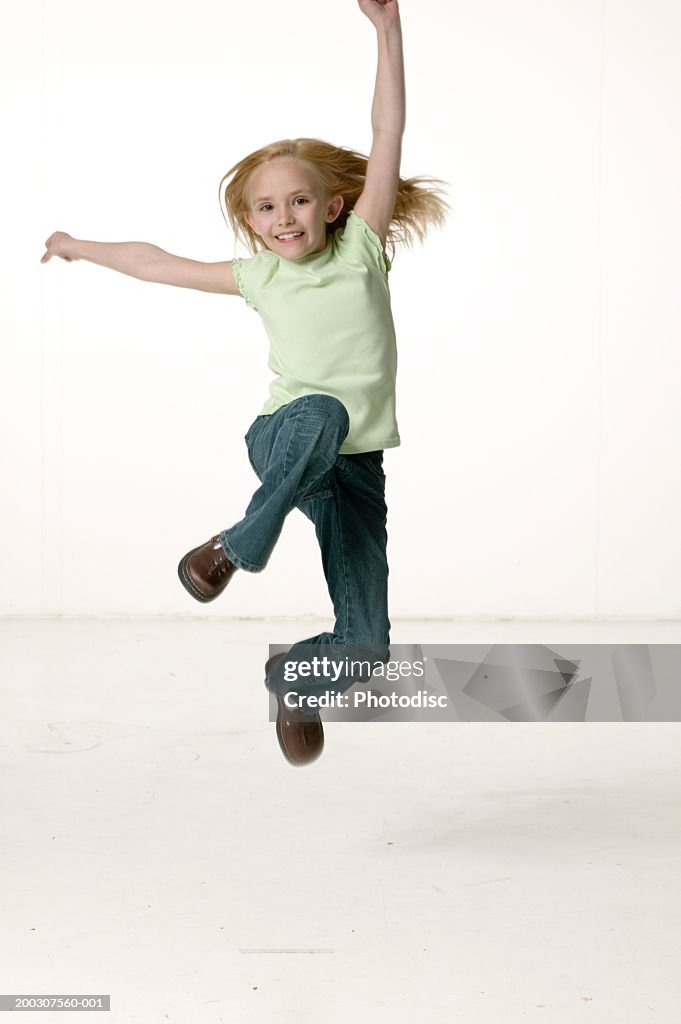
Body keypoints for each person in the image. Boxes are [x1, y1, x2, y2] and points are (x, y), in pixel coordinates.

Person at [40, 0, 449, 767]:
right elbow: (154, 260)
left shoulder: (360, 246)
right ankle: (229, 551)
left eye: (298, 200)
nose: (284, 216)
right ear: (252, 223)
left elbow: (386, 135)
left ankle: (294, 679)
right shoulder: (257, 276)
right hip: (288, 436)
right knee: (321, 409)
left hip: (353, 470)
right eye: (266, 208)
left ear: (332, 206)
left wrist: (387, 30)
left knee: (366, 645)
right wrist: (76, 245)